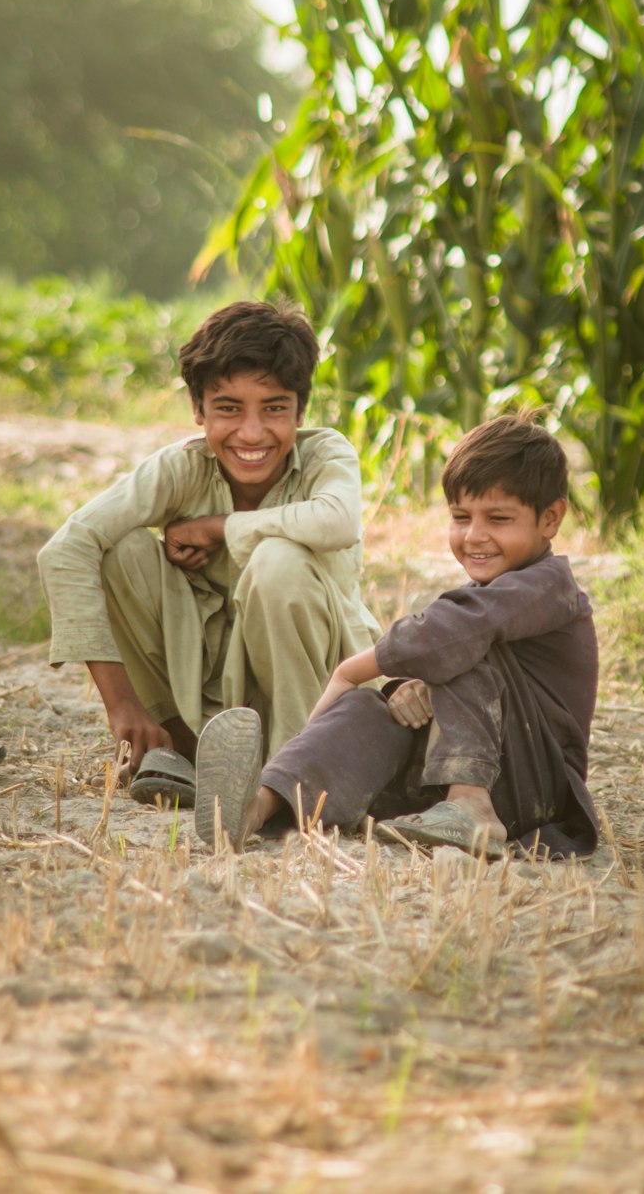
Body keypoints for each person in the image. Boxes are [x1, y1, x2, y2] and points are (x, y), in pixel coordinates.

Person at [194, 413, 598, 859]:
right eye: (461, 517)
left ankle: (472, 805)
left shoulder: (550, 586)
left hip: (531, 787)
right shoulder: (485, 596)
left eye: (498, 518)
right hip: (441, 782)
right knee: (369, 709)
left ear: (550, 519)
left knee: (455, 646)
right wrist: (415, 690)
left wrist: (353, 669)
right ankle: (258, 806)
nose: (474, 536)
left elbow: (451, 634)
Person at [37, 299, 379, 802]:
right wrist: (123, 705)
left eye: (275, 408)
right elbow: (66, 549)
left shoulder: (326, 454)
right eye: (228, 408)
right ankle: (180, 747)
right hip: (215, 701)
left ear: (300, 411)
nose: (252, 432)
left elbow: (337, 521)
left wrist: (219, 527)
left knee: (278, 560)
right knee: (122, 549)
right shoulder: (182, 469)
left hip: (317, 704)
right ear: (198, 410)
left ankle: (296, 777)